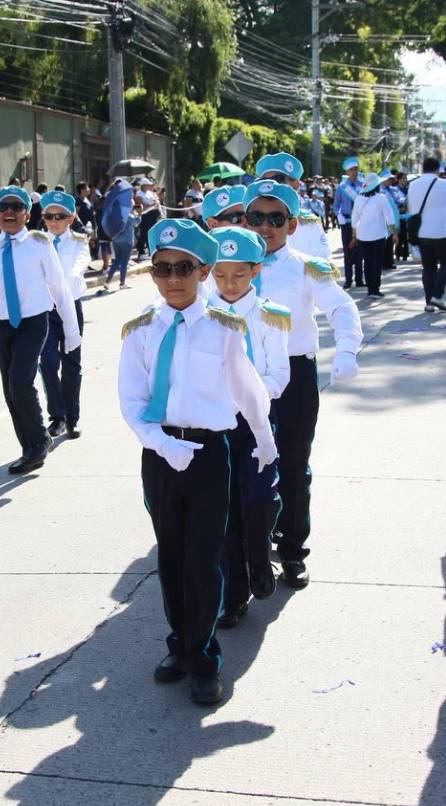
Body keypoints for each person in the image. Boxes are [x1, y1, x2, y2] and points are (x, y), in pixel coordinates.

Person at [117, 218, 277, 705]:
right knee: (170, 556)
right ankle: (180, 646)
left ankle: (206, 657)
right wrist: (162, 445)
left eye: (184, 268)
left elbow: (247, 388)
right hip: (161, 452)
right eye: (162, 269)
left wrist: (266, 441)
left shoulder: (225, 328)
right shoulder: (141, 330)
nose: (173, 279)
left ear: (203, 271)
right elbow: (131, 398)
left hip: (210, 453)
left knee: (204, 560)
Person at [243, 179, 363, 588]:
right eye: (256, 217)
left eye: (275, 218)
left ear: (292, 226)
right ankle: (249, 553)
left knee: (293, 463)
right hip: (242, 376)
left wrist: (347, 349)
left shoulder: (306, 267)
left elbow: (342, 308)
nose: (265, 227)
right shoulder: (228, 267)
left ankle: (292, 549)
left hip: (293, 375)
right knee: (244, 466)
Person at [0, 187, 81, 474]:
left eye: (16, 207)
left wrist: (71, 331)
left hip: (34, 322)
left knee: (20, 381)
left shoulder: (39, 243)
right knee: (10, 389)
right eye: (3, 207)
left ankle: (38, 443)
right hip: (2, 325)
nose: (9, 212)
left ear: (27, 213)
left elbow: (59, 288)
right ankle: (29, 446)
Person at [205, 226, 289, 628]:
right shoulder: (203, 318)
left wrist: (252, 394)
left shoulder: (270, 315)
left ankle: (259, 560)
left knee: (258, 500)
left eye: (238, 274)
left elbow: (279, 374)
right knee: (225, 510)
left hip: (256, 421)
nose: (229, 283)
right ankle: (234, 595)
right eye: (220, 275)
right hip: (217, 423)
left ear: (255, 271)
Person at [37, 191, 88, 440]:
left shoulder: (79, 241)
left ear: (71, 217)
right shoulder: (37, 242)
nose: (54, 221)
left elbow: (80, 263)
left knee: (71, 363)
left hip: (71, 305)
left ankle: (72, 419)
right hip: (46, 309)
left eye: (60, 216)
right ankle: (57, 417)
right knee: (46, 361)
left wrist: (67, 282)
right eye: (49, 216)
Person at [254, 152, 331, 260]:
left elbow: (324, 267)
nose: (270, 185)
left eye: (277, 180)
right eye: (264, 181)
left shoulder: (309, 223)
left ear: (296, 185)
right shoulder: (249, 220)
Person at [407, 156, 446, 312]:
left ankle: (429, 302)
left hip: (422, 233)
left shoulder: (413, 185)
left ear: (422, 168)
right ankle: (437, 294)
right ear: (438, 169)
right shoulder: (444, 184)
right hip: (441, 232)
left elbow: (411, 205)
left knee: (428, 268)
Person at [349, 172, 396, 298]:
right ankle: (375, 288)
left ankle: (370, 288)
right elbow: (390, 217)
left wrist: (354, 236)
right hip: (379, 235)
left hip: (362, 236)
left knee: (367, 262)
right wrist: (395, 233)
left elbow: (354, 219)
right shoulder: (382, 198)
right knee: (377, 262)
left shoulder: (358, 199)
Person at [334, 158, 365, 287]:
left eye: (356, 169)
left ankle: (359, 279)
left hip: (360, 221)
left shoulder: (362, 185)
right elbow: (336, 205)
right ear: (347, 171)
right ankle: (348, 280)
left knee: (360, 251)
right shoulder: (342, 187)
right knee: (348, 251)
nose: (354, 172)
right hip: (346, 221)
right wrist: (338, 215)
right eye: (351, 170)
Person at [134, 179, 162, 261]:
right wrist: (153, 205)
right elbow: (141, 207)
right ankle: (141, 252)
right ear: (143, 185)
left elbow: (156, 202)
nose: (149, 186)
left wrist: (156, 202)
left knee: (153, 232)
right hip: (145, 215)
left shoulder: (150, 193)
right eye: (147, 185)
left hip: (153, 215)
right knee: (144, 233)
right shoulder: (139, 194)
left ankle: (151, 250)